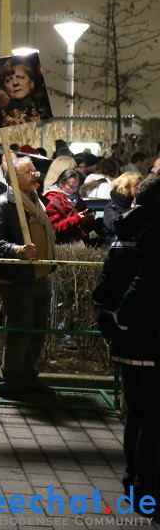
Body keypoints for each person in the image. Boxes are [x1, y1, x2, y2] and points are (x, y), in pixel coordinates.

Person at [92, 172, 160, 506]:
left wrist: (110, 319)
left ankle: (132, 482)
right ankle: (147, 488)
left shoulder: (124, 230)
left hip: (127, 339)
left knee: (135, 412)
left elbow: (104, 282)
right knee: (152, 417)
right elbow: (147, 282)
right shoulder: (154, 232)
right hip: (150, 337)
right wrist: (123, 317)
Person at [0, 156, 57, 400]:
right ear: (14, 179)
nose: (35, 175)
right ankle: (11, 383)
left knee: (38, 331)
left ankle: (28, 378)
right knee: (21, 331)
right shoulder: (2, 204)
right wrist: (17, 250)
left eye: (35, 171)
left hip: (38, 274)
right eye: (29, 172)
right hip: (16, 278)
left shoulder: (36, 201)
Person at [44, 168, 97, 244]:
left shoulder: (79, 201)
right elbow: (54, 229)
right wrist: (77, 218)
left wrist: (89, 219)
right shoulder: (51, 200)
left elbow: (86, 228)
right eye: (71, 186)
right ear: (61, 183)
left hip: (79, 243)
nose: (74, 190)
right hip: (62, 245)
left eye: (76, 186)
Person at [0, 57, 46, 126]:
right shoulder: (1, 119)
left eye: (20, 77)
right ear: (5, 89)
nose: (15, 83)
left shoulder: (45, 109)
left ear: (31, 83)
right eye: (9, 80)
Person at [98, 172, 142, 247]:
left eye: (140, 185)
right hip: (118, 249)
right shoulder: (112, 208)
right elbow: (116, 227)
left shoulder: (138, 203)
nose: (140, 188)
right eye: (136, 186)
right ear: (125, 187)